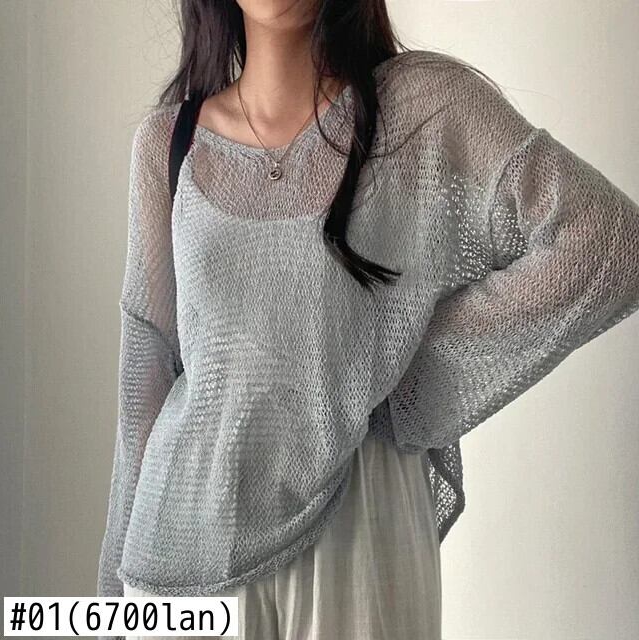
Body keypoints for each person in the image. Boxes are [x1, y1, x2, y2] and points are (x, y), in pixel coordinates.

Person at [97, 1, 639, 639]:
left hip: (360, 522)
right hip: (179, 541)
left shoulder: (421, 107)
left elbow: (609, 244)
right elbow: (147, 369)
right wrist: (107, 599)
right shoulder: (167, 143)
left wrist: (407, 381)